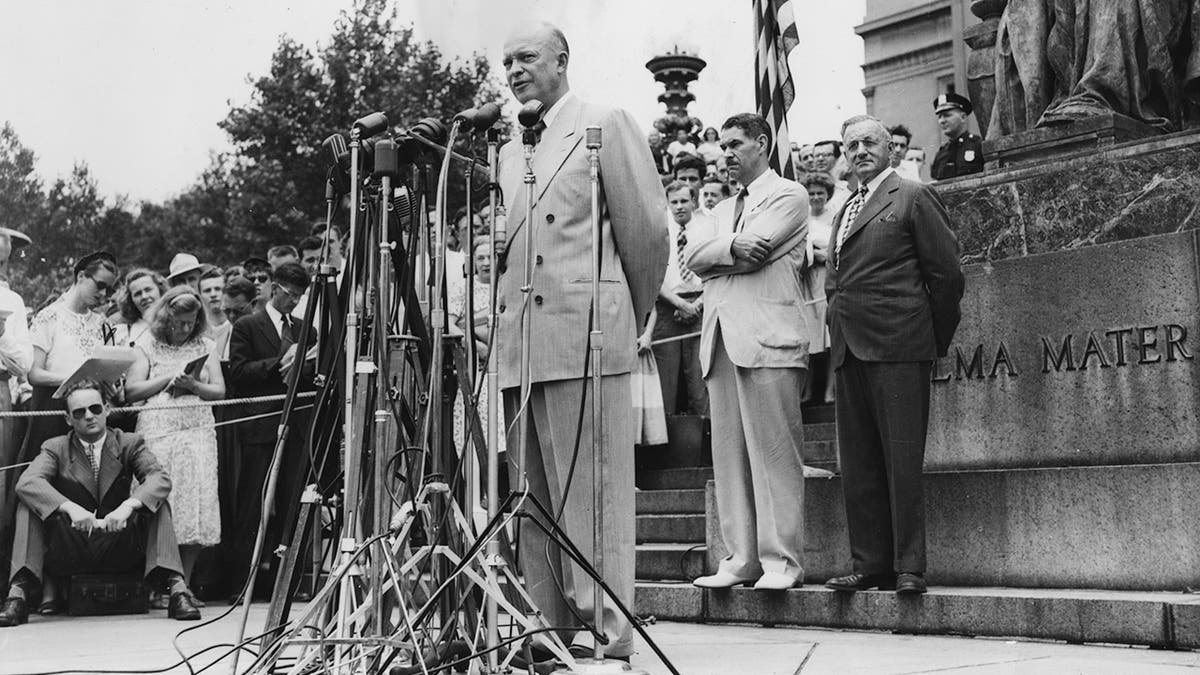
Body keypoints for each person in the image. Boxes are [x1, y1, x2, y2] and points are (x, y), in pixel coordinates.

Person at [496, 20, 667, 660]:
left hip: (588, 336)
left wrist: (621, 314)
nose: (514, 71)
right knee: (532, 500)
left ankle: (607, 633)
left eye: (527, 57)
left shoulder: (605, 122)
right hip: (523, 346)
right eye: (506, 62)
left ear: (562, 59)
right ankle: (547, 629)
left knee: (594, 495)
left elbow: (647, 233)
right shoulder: (511, 148)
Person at [824, 114, 964, 595]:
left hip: (899, 346)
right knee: (859, 464)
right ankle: (870, 565)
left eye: (869, 142)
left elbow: (946, 277)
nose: (859, 150)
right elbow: (835, 283)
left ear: (891, 150)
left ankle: (909, 567)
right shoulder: (844, 210)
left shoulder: (912, 196)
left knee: (902, 462)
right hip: (849, 349)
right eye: (851, 145)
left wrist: (929, 340)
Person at [685, 113, 810, 592]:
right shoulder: (716, 210)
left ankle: (782, 562)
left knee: (775, 455)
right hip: (719, 342)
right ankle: (741, 559)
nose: (726, 154)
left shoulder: (788, 194)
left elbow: (759, 251)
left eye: (735, 144)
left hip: (768, 339)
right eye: (722, 146)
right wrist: (730, 249)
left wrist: (717, 256)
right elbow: (692, 258)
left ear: (763, 142)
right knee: (730, 457)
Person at [0, 380, 201, 626]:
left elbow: (159, 479)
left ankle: (178, 591)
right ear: (67, 419)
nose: (89, 416)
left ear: (107, 409)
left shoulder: (129, 442)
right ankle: (17, 596)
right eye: (79, 412)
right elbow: (27, 483)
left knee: (155, 504)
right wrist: (70, 508)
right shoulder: (55, 447)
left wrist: (128, 507)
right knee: (28, 505)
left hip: (119, 543)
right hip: (72, 546)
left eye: (95, 409)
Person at [124, 287, 225, 593]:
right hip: (160, 431)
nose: (185, 329)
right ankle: (157, 583)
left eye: (191, 323)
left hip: (197, 432)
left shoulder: (206, 344)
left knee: (196, 502)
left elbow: (219, 391)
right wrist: (169, 379)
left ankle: (185, 584)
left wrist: (193, 384)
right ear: (166, 317)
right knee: (162, 500)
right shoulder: (147, 345)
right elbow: (132, 391)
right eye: (179, 322)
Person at [227, 262, 316, 603]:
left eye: (299, 297)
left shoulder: (307, 328)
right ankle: (241, 584)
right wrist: (280, 361)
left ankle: (287, 583)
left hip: (296, 425)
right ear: (275, 289)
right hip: (260, 426)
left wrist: (304, 363)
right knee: (254, 505)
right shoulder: (248, 325)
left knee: (291, 503)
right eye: (289, 295)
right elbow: (238, 372)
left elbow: (314, 371)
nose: (293, 302)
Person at [643, 180, 708, 416]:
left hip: (701, 304)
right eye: (674, 202)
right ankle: (667, 442)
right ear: (667, 204)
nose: (679, 206)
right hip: (668, 305)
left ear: (693, 201)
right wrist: (680, 304)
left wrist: (696, 305)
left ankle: (707, 436)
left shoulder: (707, 228)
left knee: (700, 376)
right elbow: (653, 275)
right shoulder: (660, 232)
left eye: (684, 201)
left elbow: (717, 273)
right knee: (666, 379)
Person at [801, 173, 836, 404]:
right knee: (809, 336)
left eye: (819, 193)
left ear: (827, 194)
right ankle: (808, 390)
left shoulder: (835, 217)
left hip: (828, 278)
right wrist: (815, 255)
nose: (815, 197)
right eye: (811, 193)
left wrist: (825, 256)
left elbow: (839, 249)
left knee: (830, 336)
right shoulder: (801, 218)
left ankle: (830, 390)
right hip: (807, 280)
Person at [931, 92, 984, 181]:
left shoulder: (977, 146)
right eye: (939, 117)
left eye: (947, 115)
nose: (942, 121)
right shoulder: (941, 154)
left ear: (963, 117)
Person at [113, 269, 167, 348]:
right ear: (130, 300)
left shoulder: (177, 322)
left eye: (148, 290)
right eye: (137, 294)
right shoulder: (122, 333)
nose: (144, 296)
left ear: (160, 290)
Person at [199, 268, 230, 356]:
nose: (213, 294)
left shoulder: (236, 325)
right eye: (207, 291)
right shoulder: (197, 330)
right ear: (200, 295)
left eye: (217, 289)